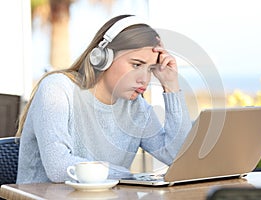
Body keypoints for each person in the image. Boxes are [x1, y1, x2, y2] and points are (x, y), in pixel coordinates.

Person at [16, 14, 192, 184]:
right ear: (102, 57)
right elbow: (58, 167)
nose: (144, 79)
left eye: (150, 69)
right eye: (136, 65)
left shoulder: (136, 108)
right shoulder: (57, 89)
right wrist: (130, 176)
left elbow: (176, 157)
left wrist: (171, 85)